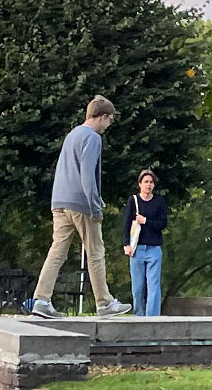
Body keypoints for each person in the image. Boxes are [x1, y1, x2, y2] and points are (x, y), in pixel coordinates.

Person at [23, 96, 132, 319]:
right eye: (109, 120)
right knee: (95, 252)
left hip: (60, 201)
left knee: (57, 252)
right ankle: (104, 303)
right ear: (102, 117)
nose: (109, 125)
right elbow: (87, 176)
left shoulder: (73, 134)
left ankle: (41, 300)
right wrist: (95, 207)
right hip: (81, 204)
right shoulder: (92, 138)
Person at [122, 168, 169, 316]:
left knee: (153, 285)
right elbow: (126, 223)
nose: (149, 185)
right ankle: (138, 315)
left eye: (151, 182)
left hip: (154, 248)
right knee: (137, 286)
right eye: (146, 182)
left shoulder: (160, 202)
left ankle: (152, 317)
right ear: (140, 184)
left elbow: (163, 224)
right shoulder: (133, 201)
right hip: (137, 248)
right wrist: (126, 244)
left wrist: (146, 221)